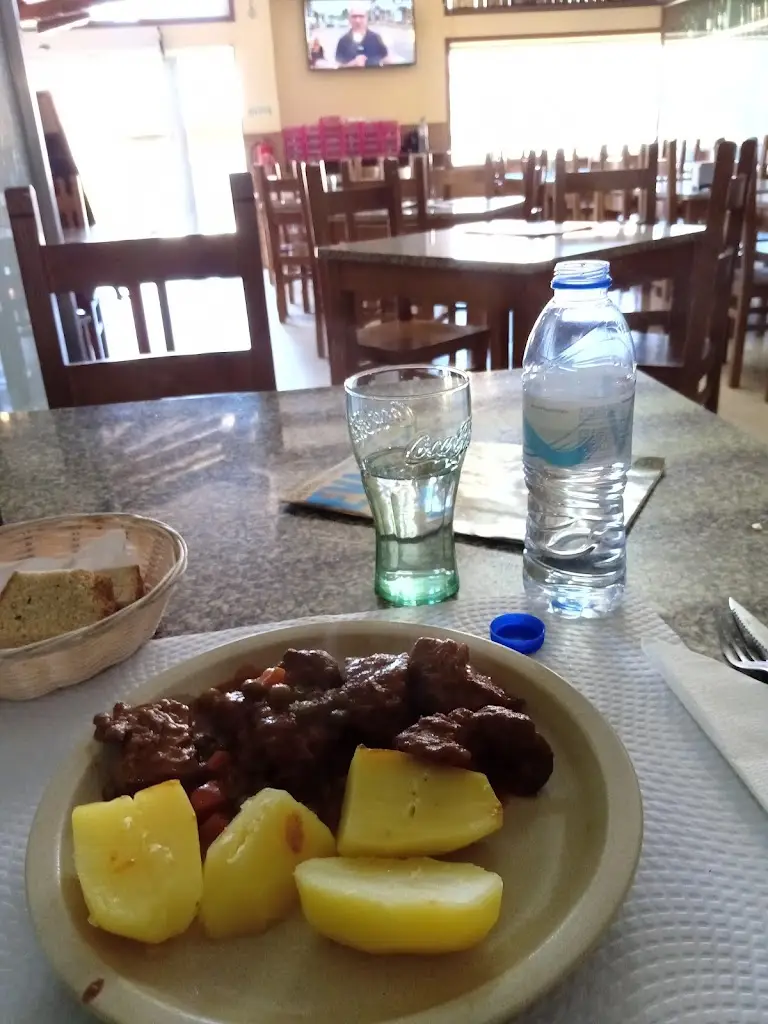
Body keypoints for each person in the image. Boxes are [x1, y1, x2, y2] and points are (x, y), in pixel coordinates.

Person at [334, 2, 388, 68]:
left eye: (361, 16)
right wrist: (352, 64)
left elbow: (385, 58)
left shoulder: (376, 38)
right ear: (349, 19)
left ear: (366, 18)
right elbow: (338, 66)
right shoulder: (343, 41)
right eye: (354, 16)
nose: (357, 20)